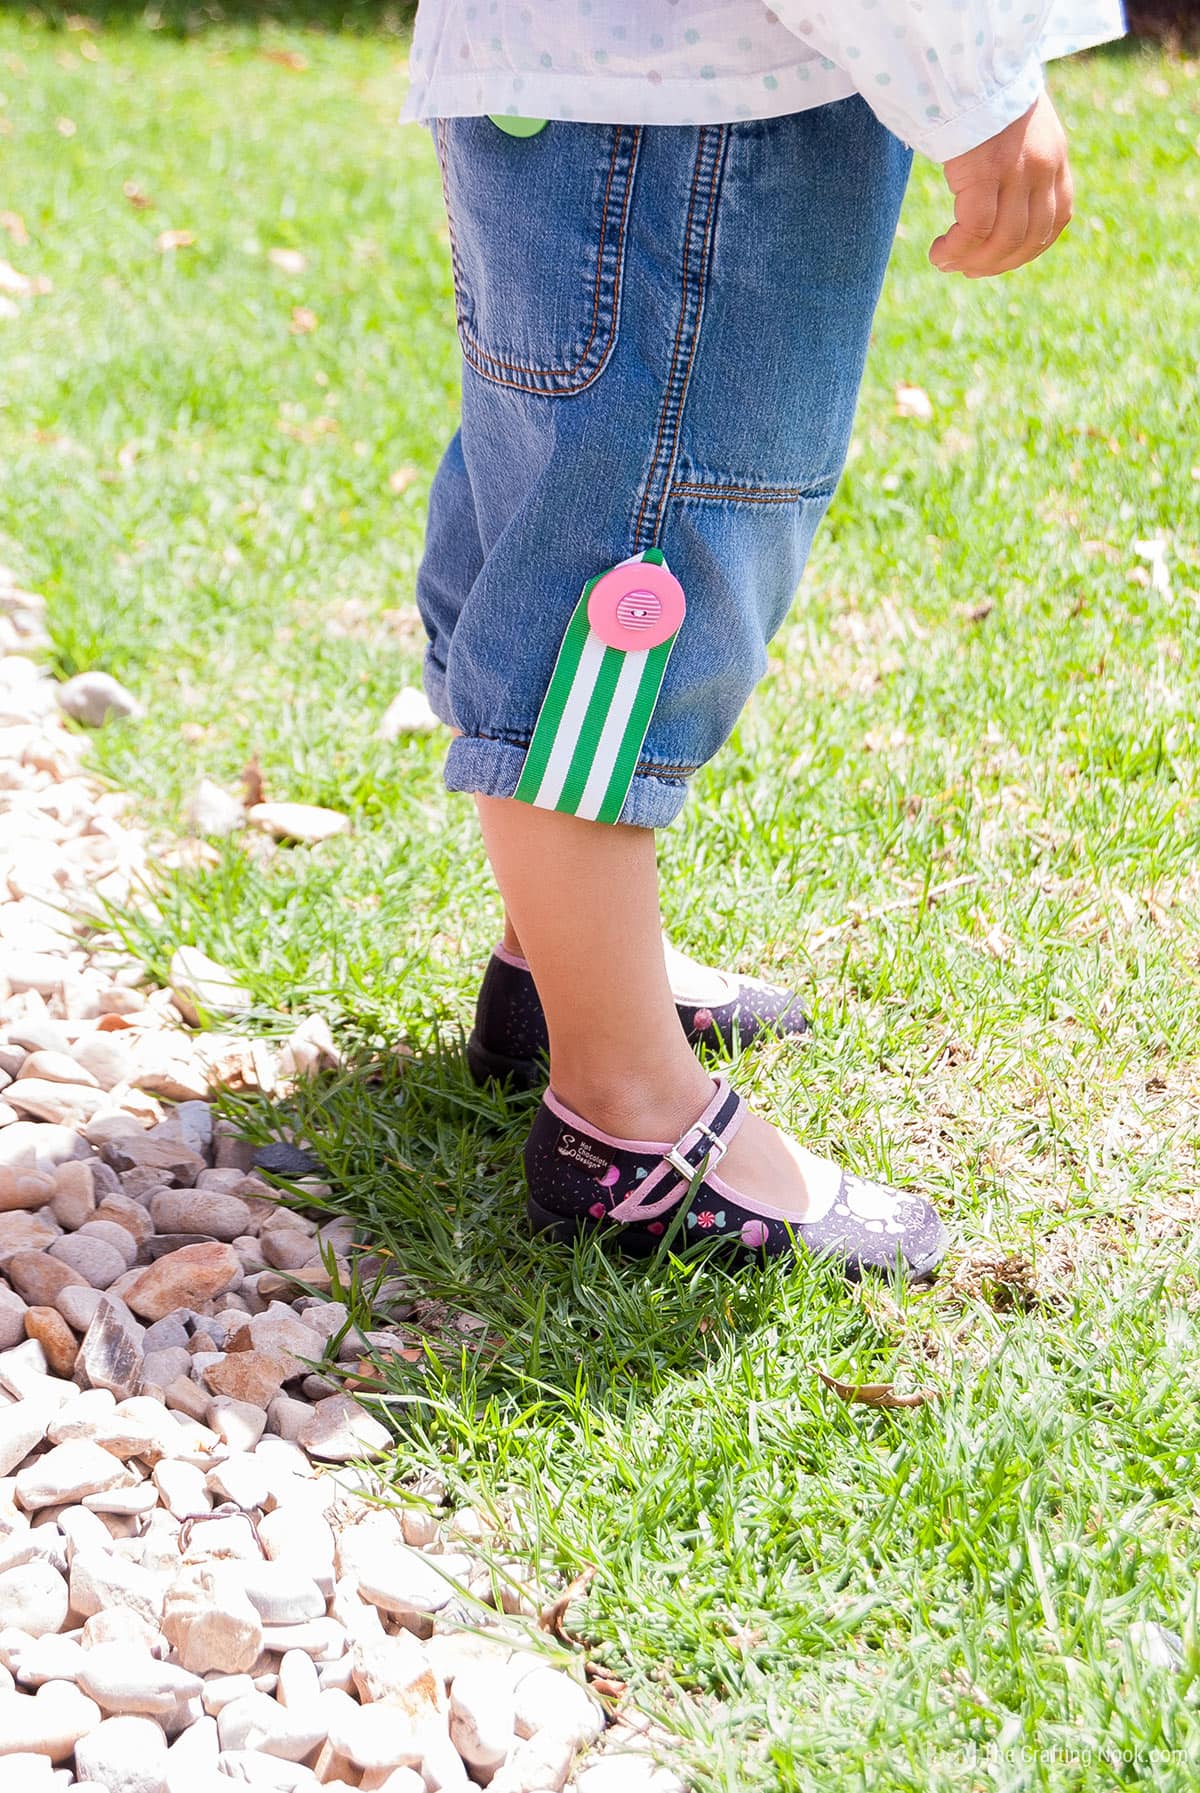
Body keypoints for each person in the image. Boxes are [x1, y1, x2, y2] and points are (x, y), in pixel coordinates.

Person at [402, 0, 1124, 1280]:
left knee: (555, 509)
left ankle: (566, 969)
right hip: (700, 122)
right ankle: (623, 1116)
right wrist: (981, 83)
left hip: (606, 93)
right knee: (627, 580)